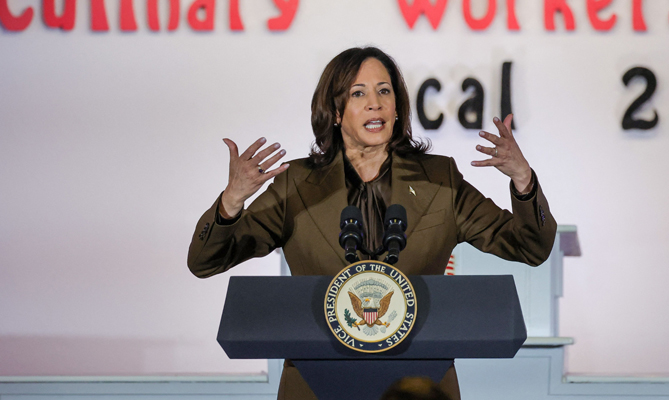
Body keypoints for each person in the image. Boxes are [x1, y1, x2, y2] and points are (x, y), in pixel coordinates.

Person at [188, 47, 557, 400]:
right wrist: (232, 201)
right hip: (317, 383)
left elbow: (531, 247)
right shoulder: (297, 184)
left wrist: (523, 180)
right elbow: (205, 261)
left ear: (397, 107)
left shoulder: (439, 180)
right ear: (334, 111)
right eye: (358, 93)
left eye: (384, 91)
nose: (374, 103)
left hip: (419, 386)